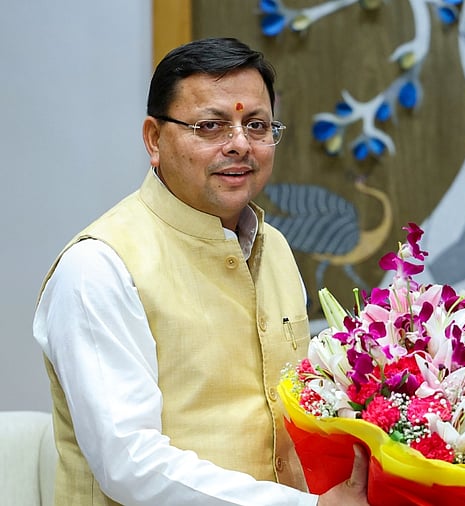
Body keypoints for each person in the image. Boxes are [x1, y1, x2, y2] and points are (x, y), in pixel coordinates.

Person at [33, 37, 369, 505]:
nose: (239, 145)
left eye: (257, 125)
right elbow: (130, 464)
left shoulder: (274, 249)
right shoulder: (100, 267)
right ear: (154, 139)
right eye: (211, 126)